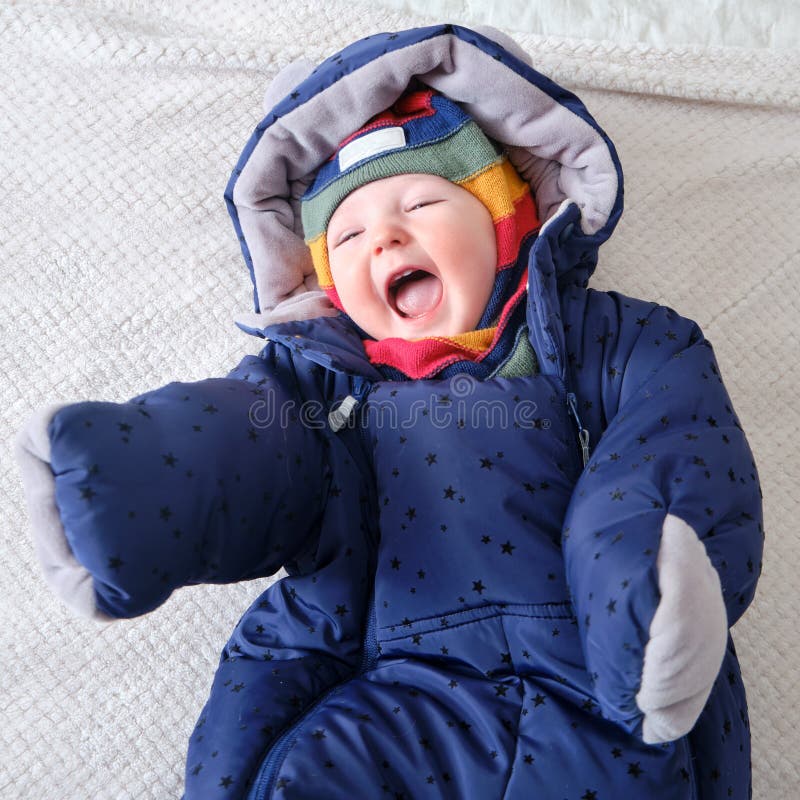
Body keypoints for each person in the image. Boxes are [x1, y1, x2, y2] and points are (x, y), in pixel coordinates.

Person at [15, 24, 763, 800]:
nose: (385, 239)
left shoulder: (613, 341)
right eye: (349, 233)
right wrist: (126, 482)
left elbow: (670, 449)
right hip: (386, 677)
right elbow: (236, 449)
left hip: (589, 663)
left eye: (422, 202)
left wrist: (637, 583)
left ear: (506, 222)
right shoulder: (318, 385)